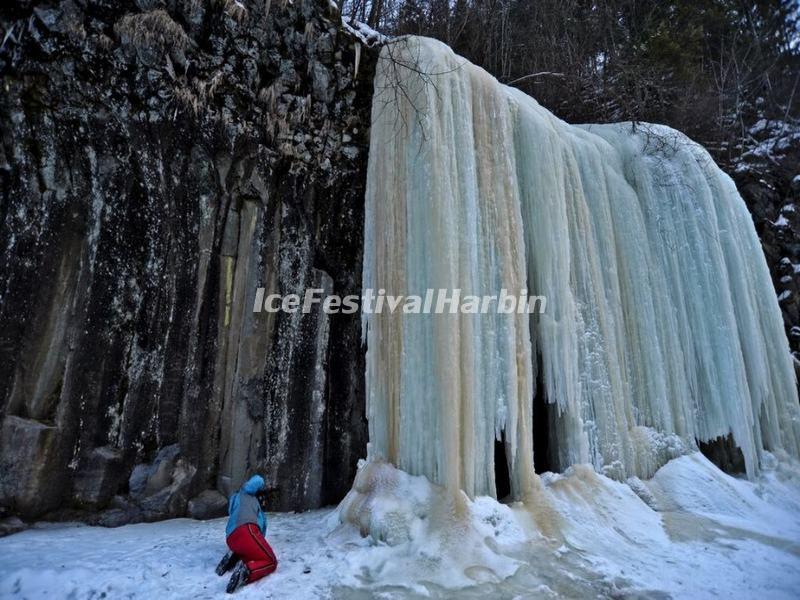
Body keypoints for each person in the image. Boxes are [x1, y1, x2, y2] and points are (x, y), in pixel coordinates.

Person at [221, 475, 278, 593]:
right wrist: (263, 484)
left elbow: (261, 532)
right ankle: (246, 573)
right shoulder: (246, 493)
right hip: (247, 531)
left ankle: (236, 555)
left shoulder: (238, 501)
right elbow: (257, 480)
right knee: (270, 561)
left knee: (254, 552)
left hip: (231, 538)